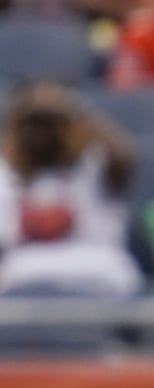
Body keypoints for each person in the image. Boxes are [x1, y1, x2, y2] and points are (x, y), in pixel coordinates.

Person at [0, 81, 141, 296]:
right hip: (25, 272)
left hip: (98, 269)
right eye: (33, 123)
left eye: (53, 124)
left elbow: (125, 157)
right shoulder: (6, 171)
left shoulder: (96, 163)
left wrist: (71, 110)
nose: (43, 132)